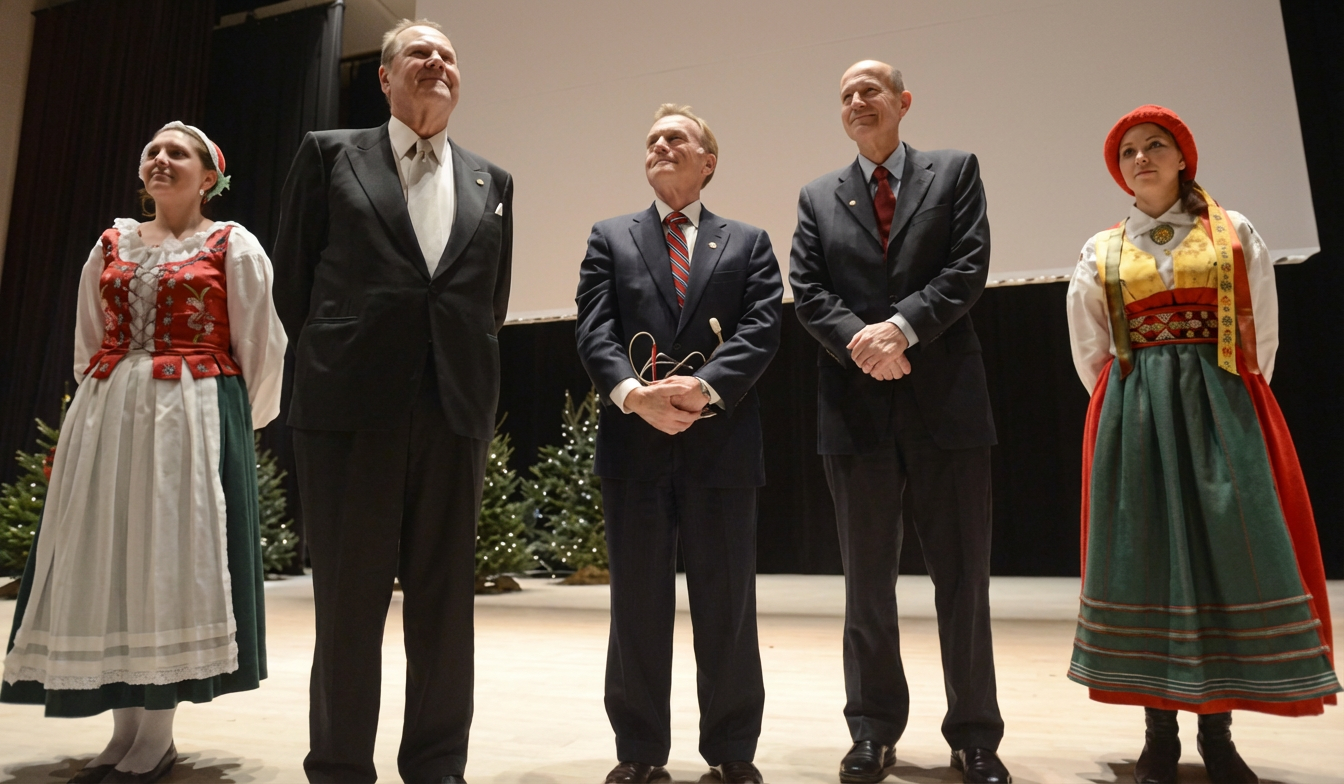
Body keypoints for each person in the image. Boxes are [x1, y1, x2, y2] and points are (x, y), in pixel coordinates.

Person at [1, 122, 286, 783]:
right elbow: (87, 339)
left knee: (166, 558)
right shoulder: (112, 244)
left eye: (177, 153)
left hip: (189, 413)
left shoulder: (231, 245)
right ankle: (123, 733)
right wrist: (106, 403)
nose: (161, 160)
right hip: (111, 415)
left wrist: (239, 422)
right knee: (111, 557)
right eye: (153, 153)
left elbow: (262, 345)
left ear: (208, 176)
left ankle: (155, 736)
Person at [1065, 104, 1340, 784]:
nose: (1141, 158)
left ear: (1183, 157)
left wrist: (1231, 413)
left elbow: (1261, 333)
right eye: (1128, 151)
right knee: (1149, 560)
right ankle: (1160, 736)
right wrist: (1132, 410)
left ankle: (1218, 735)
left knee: (1226, 560)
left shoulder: (1233, 231)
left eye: (1155, 145)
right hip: (1137, 417)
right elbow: (1090, 347)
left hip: (1222, 409)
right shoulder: (1103, 248)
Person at [272, 17, 512, 784]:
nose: (437, 62)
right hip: (349, 413)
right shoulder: (331, 154)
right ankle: (340, 766)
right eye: (420, 52)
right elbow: (293, 283)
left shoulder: (491, 181)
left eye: (448, 54)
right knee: (350, 604)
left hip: (453, 413)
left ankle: (437, 765)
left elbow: (488, 304)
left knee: (445, 607)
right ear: (385, 77)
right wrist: (343, 358)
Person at [789, 61, 1010, 784]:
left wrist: (903, 329)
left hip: (946, 406)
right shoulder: (818, 196)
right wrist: (867, 342)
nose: (857, 102)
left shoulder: (954, 171)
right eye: (846, 94)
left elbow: (968, 266)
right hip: (856, 409)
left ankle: (975, 734)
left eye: (870, 91)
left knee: (963, 580)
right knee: (866, 583)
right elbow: (809, 289)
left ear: (902, 102)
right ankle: (872, 729)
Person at [574, 104, 782, 784]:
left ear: (708, 161)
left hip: (720, 445)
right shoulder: (610, 237)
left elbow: (760, 330)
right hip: (634, 446)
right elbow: (595, 330)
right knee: (636, 603)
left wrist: (705, 388)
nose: (662, 145)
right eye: (653, 140)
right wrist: (635, 397)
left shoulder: (748, 242)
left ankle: (731, 753)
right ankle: (638, 752)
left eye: (677, 138)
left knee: (728, 606)